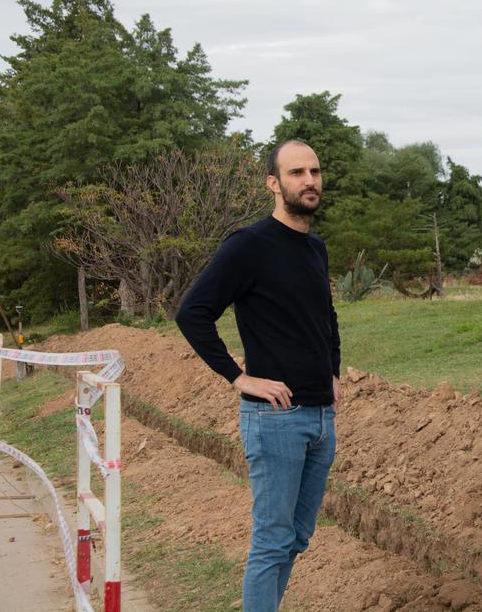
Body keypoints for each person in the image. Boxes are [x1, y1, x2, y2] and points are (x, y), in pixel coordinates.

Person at [175, 139, 340, 612]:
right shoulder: (248, 245)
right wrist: (238, 377)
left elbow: (325, 315)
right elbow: (193, 313)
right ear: (274, 183)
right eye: (295, 173)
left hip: (320, 416)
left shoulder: (315, 247)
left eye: (314, 171)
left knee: (296, 537)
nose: (309, 181)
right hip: (274, 419)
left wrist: (332, 371)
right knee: (272, 540)